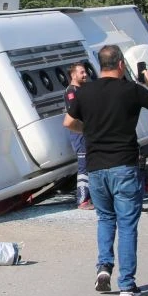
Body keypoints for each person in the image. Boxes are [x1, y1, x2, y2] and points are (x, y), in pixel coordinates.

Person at [64, 45, 148, 296]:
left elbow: (68, 122)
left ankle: (103, 268)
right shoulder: (130, 90)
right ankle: (127, 284)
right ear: (121, 64)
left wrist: (88, 131)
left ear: (99, 65)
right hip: (124, 164)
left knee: (105, 219)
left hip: (96, 168)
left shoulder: (85, 91)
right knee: (127, 224)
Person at [64, 61, 93, 210]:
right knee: (83, 167)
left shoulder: (82, 90)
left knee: (91, 165)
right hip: (79, 134)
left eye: (85, 71)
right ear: (73, 75)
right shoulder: (71, 91)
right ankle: (82, 200)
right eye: (81, 72)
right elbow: (73, 115)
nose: (85, 74)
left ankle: (92, 197)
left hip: (87, 133)